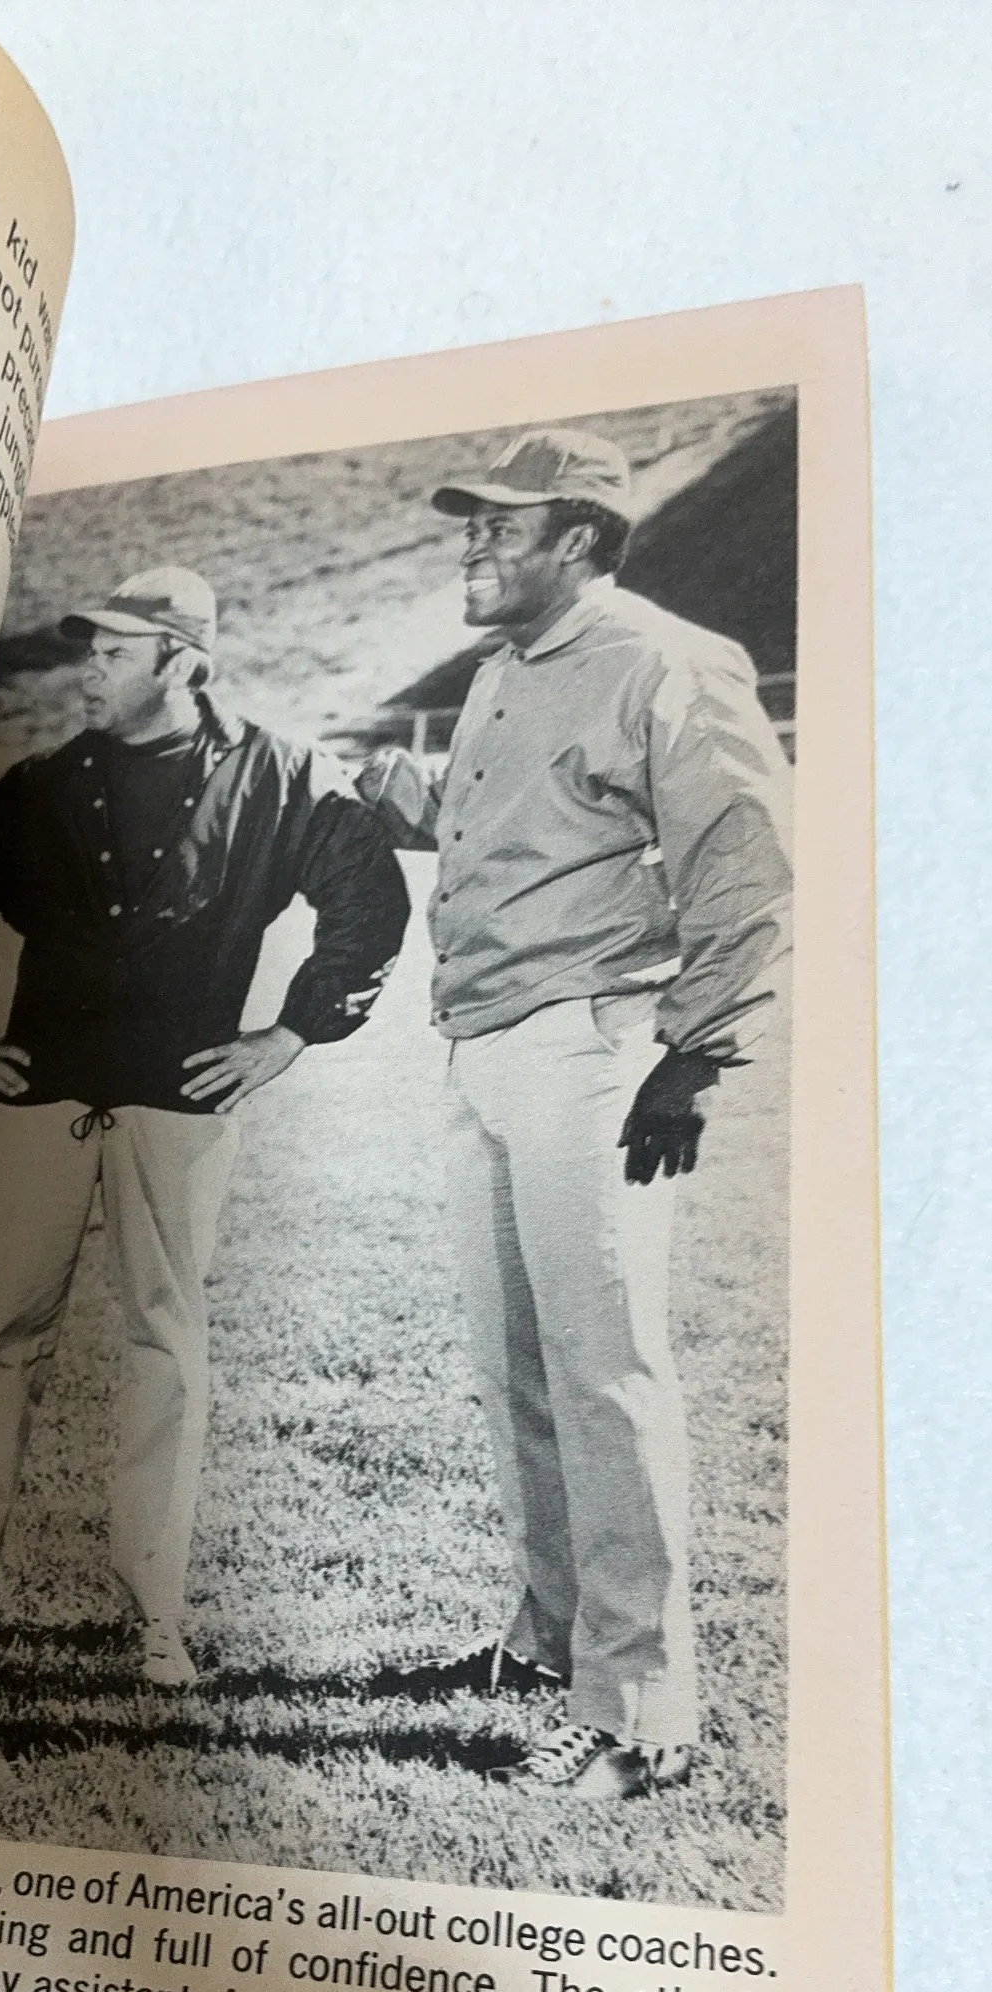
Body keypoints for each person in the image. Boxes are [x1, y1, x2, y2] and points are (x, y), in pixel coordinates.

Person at [357, 425, 791, 1801]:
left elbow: (746, 865)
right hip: (482, 1046)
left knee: (604, 1377)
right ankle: (550, 1646)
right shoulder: (501, 671)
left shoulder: (665, 660)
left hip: (593, 1052)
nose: (471, 548)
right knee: (518, 1372)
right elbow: (516, 830)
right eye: (471, 525)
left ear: (580, 540)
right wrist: (395, 797)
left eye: (501, 526)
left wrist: (695, 1054)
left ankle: (641, 1715)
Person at [0, 565, 409, 1687]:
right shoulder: (40, 785)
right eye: (89, 650)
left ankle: (154, 1619)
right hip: (43, 1096)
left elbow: (367, 900)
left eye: (115, 652)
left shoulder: (282, 776)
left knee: (164, 1349)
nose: (88, 671)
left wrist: (291, 1033)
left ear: (183, 662)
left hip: (182, 1104)